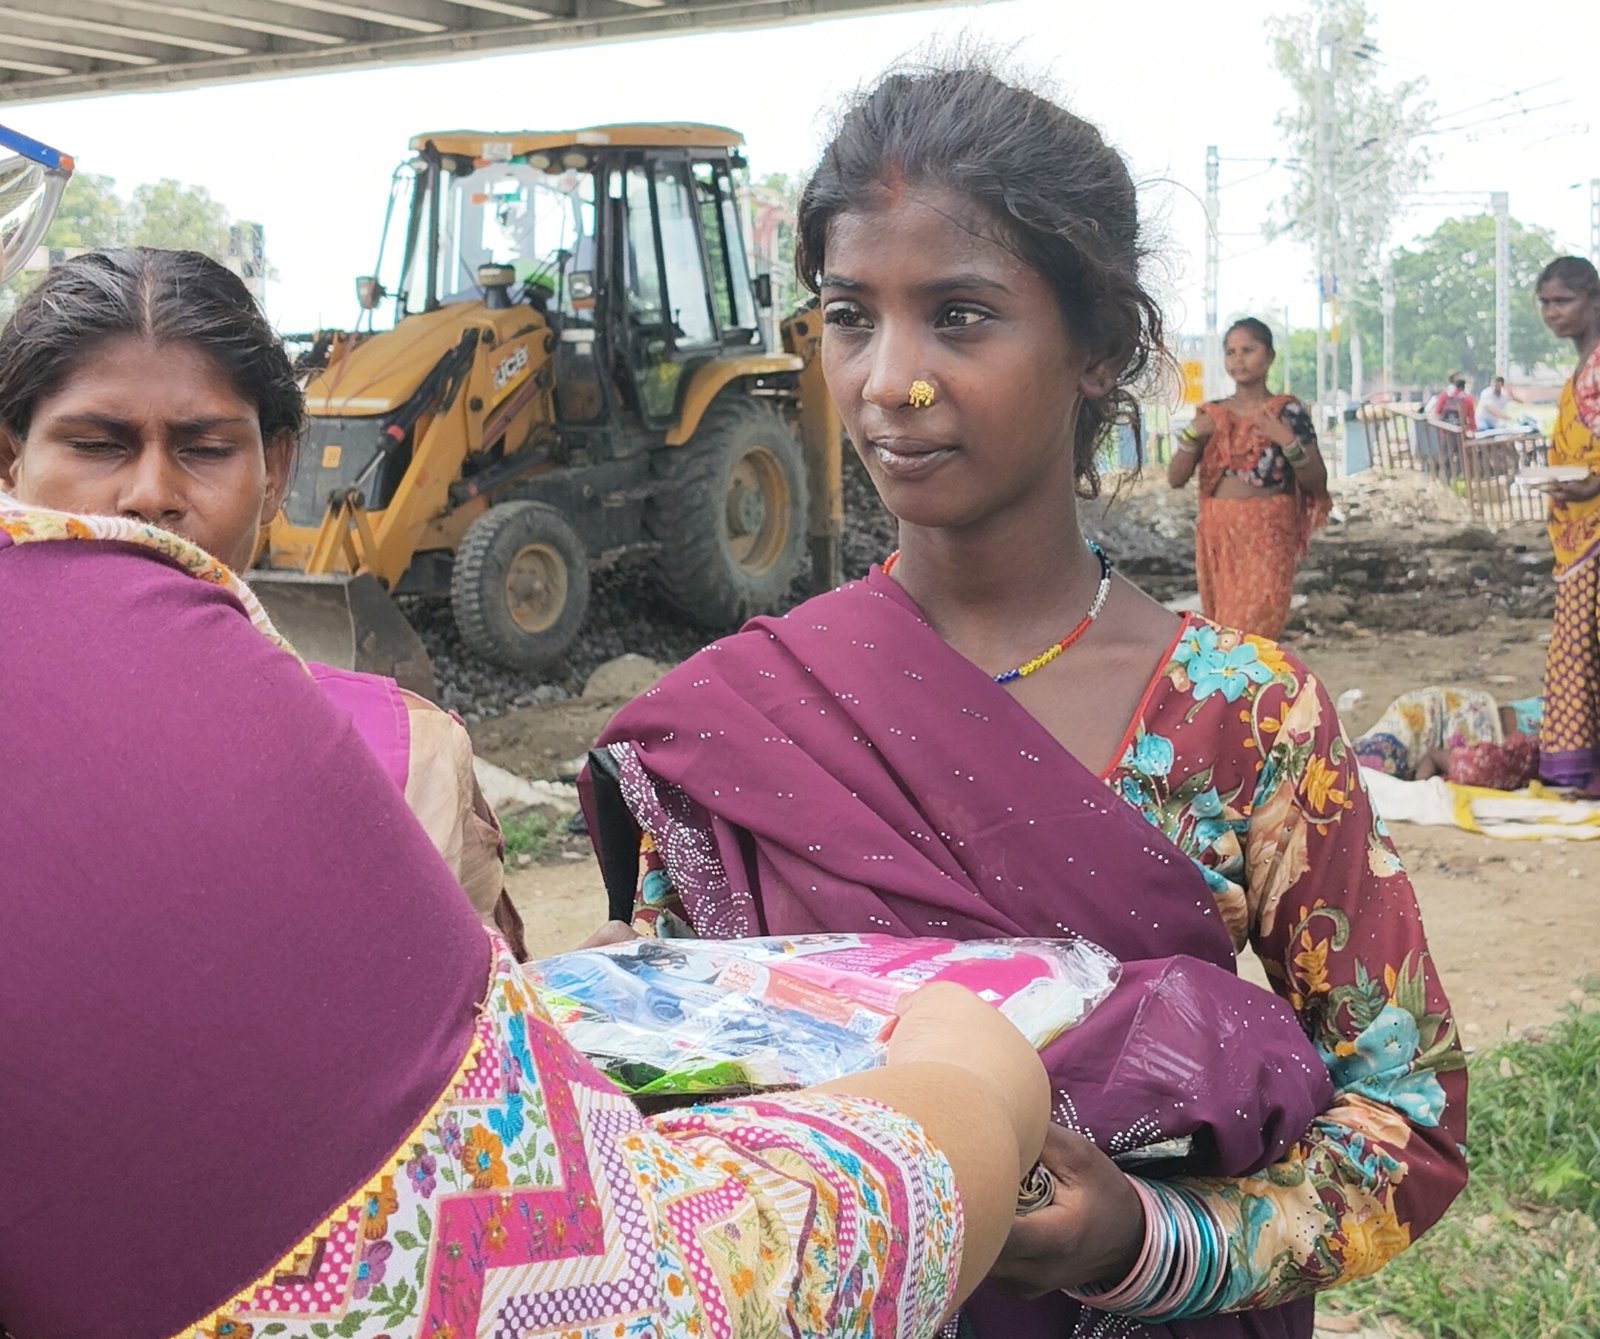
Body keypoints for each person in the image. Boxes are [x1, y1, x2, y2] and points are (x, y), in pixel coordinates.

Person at [584, 65, 1466, 1339]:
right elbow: (710, 1114)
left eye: (960, 315)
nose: (893, 379)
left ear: (1097, 344)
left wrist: (1149, 1240)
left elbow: (1410, 1118)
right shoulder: (740, 726)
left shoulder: (1242, 719)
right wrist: (627, 1046)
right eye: (850, 316)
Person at [0, 500, 1051, 1338]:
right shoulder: (135, 666)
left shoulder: (129, 657)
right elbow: (595, 1280)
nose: (894, 382)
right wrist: (964, 1088)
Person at [0, 246, 525, 956]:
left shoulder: (406, 754)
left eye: (207, 449)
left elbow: (471, 1029)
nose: (151, 495)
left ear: (275, 471)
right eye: (97, 444)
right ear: (11, 462)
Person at [1167, 317, 1331, 639]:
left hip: (1268, 533)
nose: (1238, 359)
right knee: (1224, 624)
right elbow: (1175, 478)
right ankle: (1234, 688)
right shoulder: (1210, 415)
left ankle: (1246, 685)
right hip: (1220, 534)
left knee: (1258, 619)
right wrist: (1191, 436)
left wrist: (1286, 441)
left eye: (1248, 350)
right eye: (1230, 352)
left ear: (1269, 356)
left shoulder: (1287, 413)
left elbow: (1317, 482)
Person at [1533, 256, 1600, 794]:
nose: (1551, 313)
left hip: (1594, 530)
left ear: (1594, 302)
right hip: (1578, 533)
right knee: (1580, 649)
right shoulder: (1581, 369)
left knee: (1581, 649)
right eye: (1545, 303)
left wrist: (1593, 484)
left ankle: (1579, 769)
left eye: (1562, 301)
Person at [1351, 686, 1542, 790]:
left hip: (1460, 720)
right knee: (1376, 763)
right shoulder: (1557, 709)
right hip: (1454, 714)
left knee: (1374, 766)